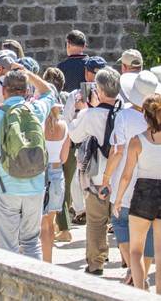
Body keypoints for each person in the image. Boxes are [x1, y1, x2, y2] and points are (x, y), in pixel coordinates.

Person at [0, 66, 55, 259]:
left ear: (3, 90)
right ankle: (35, 285)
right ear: (27, 91)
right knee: (31, 242)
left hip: (5, 187)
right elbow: (49, 92)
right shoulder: (36, 110)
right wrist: (29, 73)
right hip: (35, 185)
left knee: (8, 245)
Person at [101, 71, 160, 284]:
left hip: (135, 189)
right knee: (156, 247)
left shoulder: (128, 124)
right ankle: (149, 285)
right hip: (157, 188)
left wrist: (110, 186)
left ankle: (137, 282)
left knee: (130, 240)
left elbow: (120, 160)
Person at [68, 66, 122, 275]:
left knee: (96, 222)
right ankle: (128, 262)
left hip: (98, 175)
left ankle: (96, 262)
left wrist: (81, 110)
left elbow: (74, 135)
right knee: (122, 221)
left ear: (98, 90)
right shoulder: (124, 112)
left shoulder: (90, 114)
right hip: (121, 175)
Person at [113, 92, 161, 292]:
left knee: (135, 251)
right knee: (160, 253)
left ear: (145, 116)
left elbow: (126, 175)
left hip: (143, 193)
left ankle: (139, 293)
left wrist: (118, 200)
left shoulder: (137, 141)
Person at [61, 55, 106, 228]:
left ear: (87, 73)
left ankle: (82, 211)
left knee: (78, 180)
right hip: (106, 144)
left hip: (83, 143)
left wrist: (82, 110)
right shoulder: (112, 94)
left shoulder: (76, 95)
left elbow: (66, 120)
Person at [41, 98, 69, 262]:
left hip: (41, 172)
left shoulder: (40, 126)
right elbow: (64, 158)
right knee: (50, 223)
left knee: (41, 222)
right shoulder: (64, 127)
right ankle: (48, 260)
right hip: (57, 172)